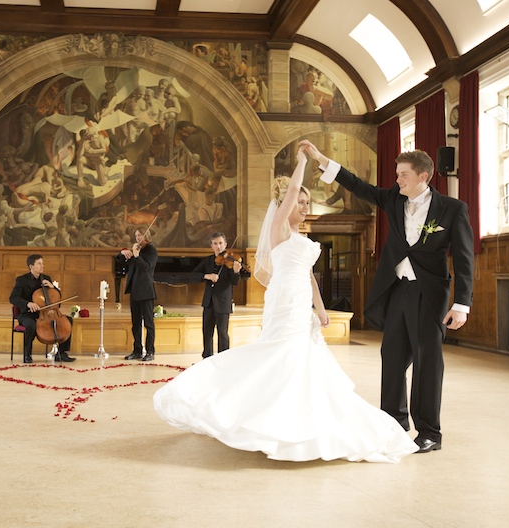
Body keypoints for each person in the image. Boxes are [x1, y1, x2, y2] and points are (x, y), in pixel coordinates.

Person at [153, 148, 418, 463]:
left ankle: (299, 419)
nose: (304, 207)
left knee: (301, 358)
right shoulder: (279, 228)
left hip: (300, 303)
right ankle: (253, 414)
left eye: (307, 203)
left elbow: (309, 277)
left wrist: (320, 309)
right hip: (283, 302)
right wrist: (303, 161)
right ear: (287, 205)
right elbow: (291, 190)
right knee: (281, 353)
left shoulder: (301, 237)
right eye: (300, 202)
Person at [300, 139, 474, 454]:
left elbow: (464, 259)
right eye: (397, 174)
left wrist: (462, 304)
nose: (397, 179)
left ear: (423, 176)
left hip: (430, 295)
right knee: (392, 358)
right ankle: (393, 424)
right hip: (397, 290)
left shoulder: (452, 209)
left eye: (403, 174)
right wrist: (321, 159)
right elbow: (358, 186)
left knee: (427, 363)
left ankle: (429, 432)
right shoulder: (394, 199)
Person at [9, 254, 75, 363]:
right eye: (39, 264)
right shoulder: (21, 280)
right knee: (31, 325)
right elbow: (13, 298)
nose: (42, 266)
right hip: (28, 314)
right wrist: (28, 303)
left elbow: (56, 296)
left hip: (46, 313)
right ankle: (27, 354)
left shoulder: (46, 279)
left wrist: (53, 287)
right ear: (31, 266)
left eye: (42, 263)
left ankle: (61, 353)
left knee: (68, 320)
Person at [190, 232, 242, 359]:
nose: (218, 246)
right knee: (207, 332)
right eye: (215, 244)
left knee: (222, 333)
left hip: (223, 302)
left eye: (220, 243)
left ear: (225, 244)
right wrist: (206, 276)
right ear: (211, 245)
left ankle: (223, 359)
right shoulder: (207, 261)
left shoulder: (231, 261)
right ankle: (207, 358)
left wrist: (236, 272)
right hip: (208, 302)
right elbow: (194, 275)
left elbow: (235, 282)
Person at [118, 228, 158, 361]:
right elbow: (122, 261)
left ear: (146, 236)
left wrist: (136, 255)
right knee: (135, 324)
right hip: (135, 291)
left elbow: (146, 267)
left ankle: (150, 351)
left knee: (148, 323)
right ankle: (137, 351)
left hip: (146, 292)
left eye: (140, 235)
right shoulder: (136, 249)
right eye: (136, 235)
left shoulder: (151, 251)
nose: (137, 238)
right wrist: (122, 252)